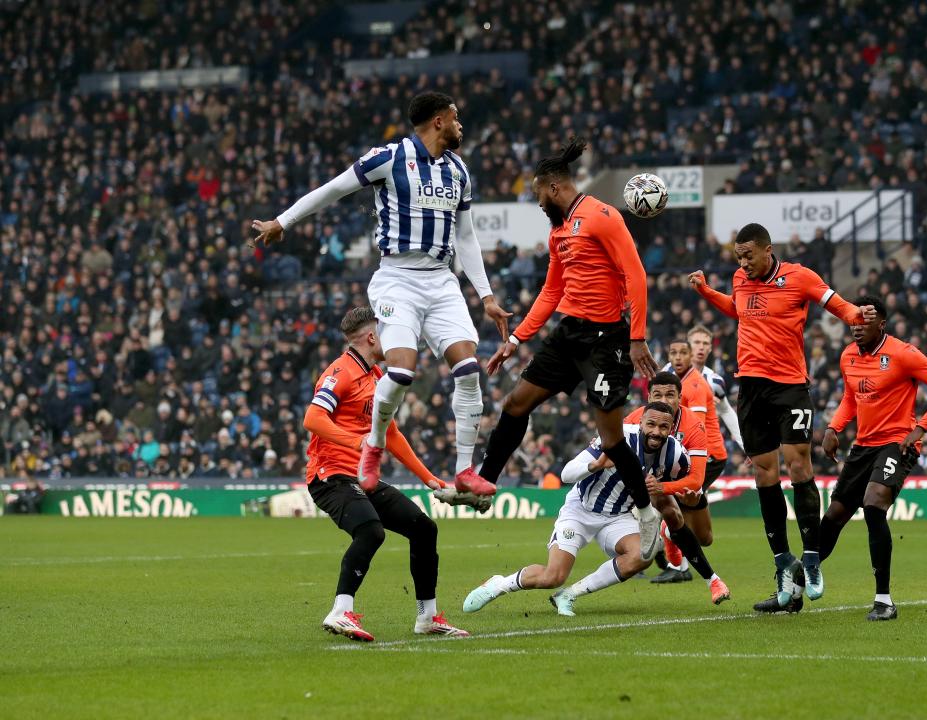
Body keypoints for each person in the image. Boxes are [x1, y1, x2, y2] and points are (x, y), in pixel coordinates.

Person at [252, 91, 510, 496]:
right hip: (398, 277)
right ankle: (373, 446)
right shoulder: (388, 158)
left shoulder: (458, 170)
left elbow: (466, 235)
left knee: (468, 371)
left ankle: (464, 470)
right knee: (402, 371)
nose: (461, 125)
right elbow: (333, 189)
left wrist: (487, 296)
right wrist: (283, 220)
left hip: (441, 280)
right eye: (456, 117)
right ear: (438, 120)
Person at [479, 137, 661, 559]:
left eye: (538, 193)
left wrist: (637, 336)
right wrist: (514, 340)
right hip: (568, 334)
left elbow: (636, 275)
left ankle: (646, 511)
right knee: (515, 403)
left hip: (606, 340)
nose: (537, 201)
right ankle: (486, 482)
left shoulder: (602, 216)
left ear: (554, 187)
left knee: (612, 439)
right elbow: (551, 290)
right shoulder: (558, 230)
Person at [689, 222, 876, 613]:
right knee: (763, 474)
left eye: (749, 255)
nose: (743, 263)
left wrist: (857, 314)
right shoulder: (741, 279)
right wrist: (708, 292)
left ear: (767, 250)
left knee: (799, 465)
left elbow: (836, 304)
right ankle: (782, 565)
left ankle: (811, 557)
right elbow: (737, 309)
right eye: (739, 256)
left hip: (790, 386)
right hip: (751, 389)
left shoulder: (799, 276)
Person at [462, 403, 729, 616]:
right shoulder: (616, 438)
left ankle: (569, 595)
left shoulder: (675, 454)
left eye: (663, 427)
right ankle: (499, 584)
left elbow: (684, 489)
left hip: (618, 517)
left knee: (641, 556)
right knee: (553, 575)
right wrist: (596, 465)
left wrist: (684, 497)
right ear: (641, 423)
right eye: (651, 424)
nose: (656, 432)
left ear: (671, 429)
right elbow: (566, 473)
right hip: (580, 511)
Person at [303, 307, 469, 642]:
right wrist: (357, 442)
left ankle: (427, 616)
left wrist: (428, 478)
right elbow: (313, 418)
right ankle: (340, 611)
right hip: (330, 475)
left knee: (424, 529)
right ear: (371, 337)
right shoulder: (340, 372)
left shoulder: (379, 376)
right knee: (371, 532)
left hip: (361, 477)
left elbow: (390, 434)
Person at [820, 295, 927, 621]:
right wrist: (833, 426)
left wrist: (921, 428)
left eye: (864, 322)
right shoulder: (848, 357)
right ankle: (802, 575)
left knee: (873, 504)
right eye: (854, 321)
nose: (856, 327)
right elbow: (850, 399)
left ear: (881, 324)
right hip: (864, 445)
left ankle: (884, 600)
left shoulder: (902, 353)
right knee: (836, 513)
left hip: (897, 444)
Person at [624, 371, 711, 584]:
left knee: (704, 539)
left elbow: (696, 480)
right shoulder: (633, 419)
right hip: (649, 486)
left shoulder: (694, 425)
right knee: (660, 512)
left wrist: (662, 488)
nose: (664, 400)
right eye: (658, 395)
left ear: (679, 398)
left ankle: (664, 539)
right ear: (649, 397)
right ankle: (663, 553)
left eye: (670, 395)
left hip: (681, 487)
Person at [686, 323, 744, 458]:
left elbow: (726, 411)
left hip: (698, 449)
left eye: (705, 343)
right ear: (687, 347)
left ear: (710, 348)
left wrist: (746, 447)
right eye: (697, 342)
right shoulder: (670, 372)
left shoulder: (715, 381)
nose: (701, 347)